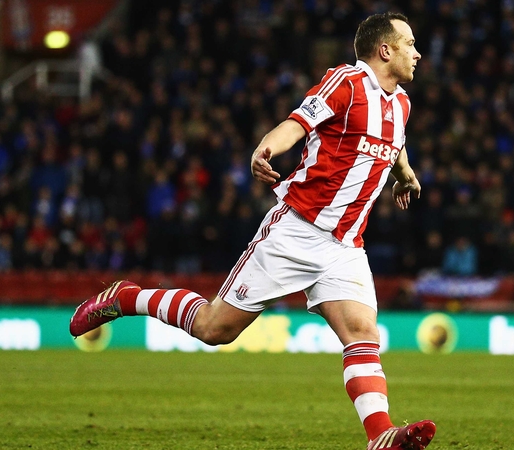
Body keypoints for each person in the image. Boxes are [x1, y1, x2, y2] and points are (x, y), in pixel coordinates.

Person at [69, 12, 435, 450]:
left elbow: (394, 142)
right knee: (213, 328)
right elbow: (298, 123)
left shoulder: (402, 103)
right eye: (409, 43)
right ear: (385, 50)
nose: (417, 52)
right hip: (296, 231)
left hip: (346, 245)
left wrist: (405, 173)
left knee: (362, 334)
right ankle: (126, 296)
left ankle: (382, 436)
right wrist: (266, 148)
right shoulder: (346, 83)